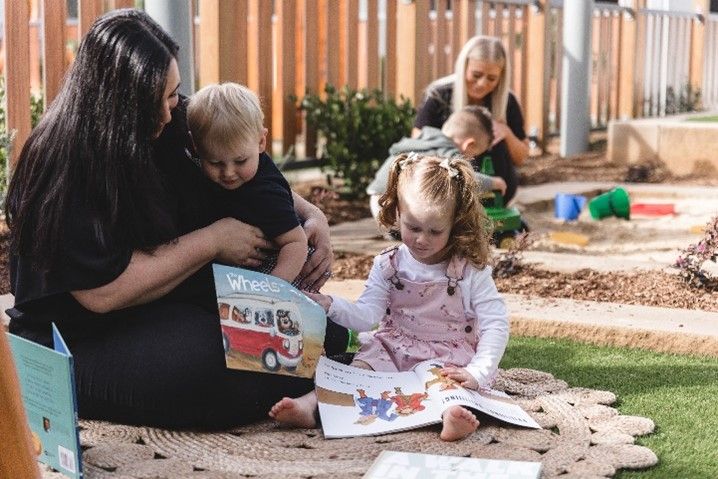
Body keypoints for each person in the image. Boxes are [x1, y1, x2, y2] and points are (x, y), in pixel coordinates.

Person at [4, 9, 347, 429]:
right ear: (119, 104)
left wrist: (309, 214)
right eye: (159, 102)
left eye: (174, 94)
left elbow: (239, 160)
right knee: (212, 366)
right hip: (80, 336)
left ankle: (320, 374)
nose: (171, 113)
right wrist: (214, 240)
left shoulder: (166, 120)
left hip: (161, 305)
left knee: (311, 337)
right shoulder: (65, 164)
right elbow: (103, 294)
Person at [270, 154, 509, 442]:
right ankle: (310, 407)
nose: (422, 239)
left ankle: (453, 416)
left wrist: (477, 371)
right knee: (353, 372)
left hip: (446, 354)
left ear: (455, 222)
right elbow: (367, 315)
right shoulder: (389, 264)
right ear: (397, 213)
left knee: (443, 384)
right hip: (393, 347)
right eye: (413, 227)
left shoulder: (468, 269)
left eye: (435, 231)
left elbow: (495, 322)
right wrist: (331, 305)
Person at [187, 83, 307, 284]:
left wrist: (272, 286)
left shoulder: (266, 194)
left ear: (261, 142)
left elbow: (296, 242)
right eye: (215, 162)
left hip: (278, 268)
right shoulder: (194, 160)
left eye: (240, 161)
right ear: (195, 147)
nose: (229, 173)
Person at [414, 35, 529, 203]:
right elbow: (419, 143)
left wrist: (506, 133)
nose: (482, 83)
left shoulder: (507, 101)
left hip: (498, 199)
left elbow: (521, 158)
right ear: (464, 67)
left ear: (501, 77)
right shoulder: (440, 95)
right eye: (476, 75)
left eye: (492, 78)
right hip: (445, 195)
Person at [366, 105, 506, 219]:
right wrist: (494, 182)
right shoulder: (445, 152)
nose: (472, 159)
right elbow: (466, 177)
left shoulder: (427, 139)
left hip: (378, 198)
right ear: (469, 145)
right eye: (474, 155)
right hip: (395, 206)